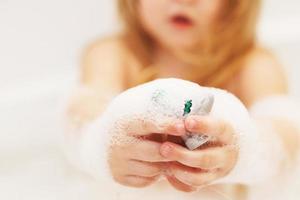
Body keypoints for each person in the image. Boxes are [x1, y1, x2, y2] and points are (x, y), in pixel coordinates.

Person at [63, 0, 300, 199]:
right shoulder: (113, 54)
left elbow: (284, 134)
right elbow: (85, 111)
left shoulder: (251, 64)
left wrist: (243, 149)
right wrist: (102, 140)